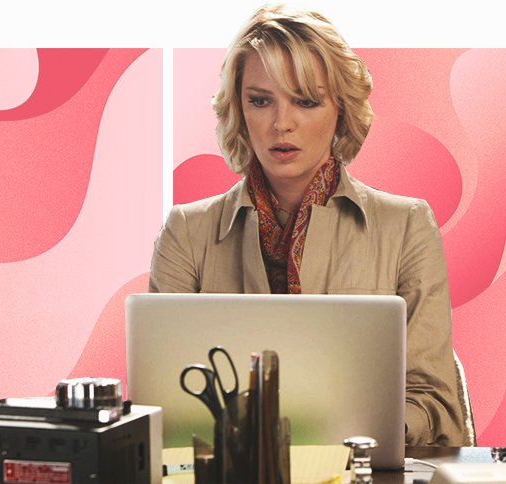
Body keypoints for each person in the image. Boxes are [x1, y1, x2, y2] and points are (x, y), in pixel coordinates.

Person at [149, 4, 465, 445]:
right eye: (260, 101)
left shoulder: (407, 226)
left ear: (341, 109)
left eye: (306, 101)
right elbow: (163, 401)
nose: (282, 124)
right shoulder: (185, 232)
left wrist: (357, 436)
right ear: (239, 109)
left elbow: (435, 404)